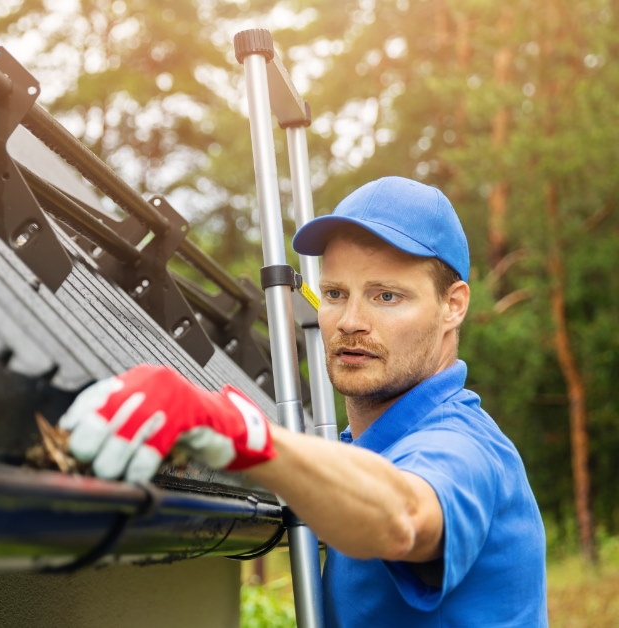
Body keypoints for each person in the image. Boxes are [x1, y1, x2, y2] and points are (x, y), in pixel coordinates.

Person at [59, 176, 547, 627]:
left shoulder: (465, 447)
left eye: (386, 297)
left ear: (453, 305)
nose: (350, 320)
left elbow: (405, 517)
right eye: (335, 293)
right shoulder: (360, 448)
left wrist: (244, 436)